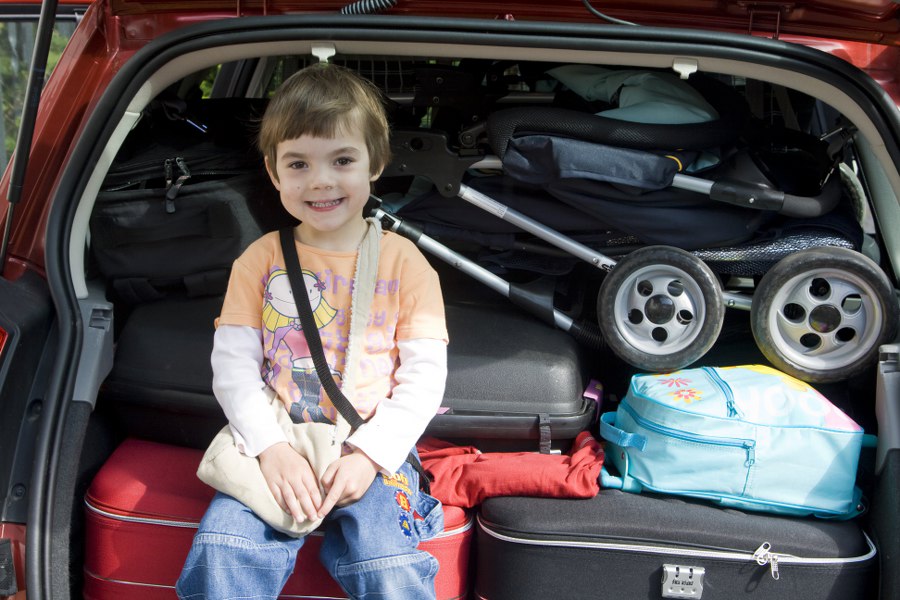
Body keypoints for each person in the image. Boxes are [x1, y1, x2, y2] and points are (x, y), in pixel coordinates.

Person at [176, 63, 449, 600]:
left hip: (370, 442)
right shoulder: (259, 261)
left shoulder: (406, 263)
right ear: (274, 174)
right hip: (278, 438)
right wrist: (271, 449)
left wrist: (370, 456)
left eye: (342, 160)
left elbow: (424, 377)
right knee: (224, 550)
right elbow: (232, 369)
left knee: (388, 566)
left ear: (377, 164)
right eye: (298, 164)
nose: (320, 181)